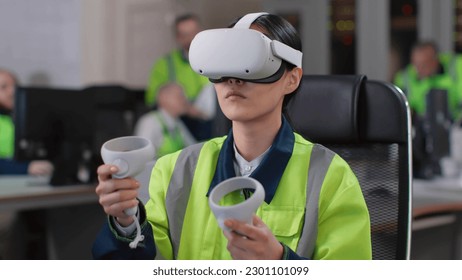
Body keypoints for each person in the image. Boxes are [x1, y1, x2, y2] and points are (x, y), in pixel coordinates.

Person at [92, 12, 371, 260]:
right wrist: (125, 222)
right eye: (226, 61)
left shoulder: (330, 178)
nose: (234, 79)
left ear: (292, 79)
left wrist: (279, 262)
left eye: (252, 62)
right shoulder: (175, 171)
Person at [145, 13, 217, 141]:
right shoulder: (164, 63)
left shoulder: (215, 59)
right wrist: (186, 108)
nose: (191, 38)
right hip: (180, 119)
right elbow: (153, 98)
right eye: (185, 35)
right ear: (178, 38)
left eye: (194, 32)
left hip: (211, 121)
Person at [0, 68, 53, 175]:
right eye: (3, 87)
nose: (12, 91)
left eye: (15, 85)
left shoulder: (31, 117)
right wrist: (25, 168)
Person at [393, 41, 462, 121]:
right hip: (423, 126)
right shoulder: (404, 79)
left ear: (436, 59)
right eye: (416, 64)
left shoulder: (457, 66)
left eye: (424, 64)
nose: (419, 69)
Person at [134, 82, 196, 159]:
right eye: (180, 96)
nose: (185, 100)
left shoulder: (177, 122)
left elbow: (193, 147)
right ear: (164, 98)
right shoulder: (150, 122)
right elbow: (142, 156)